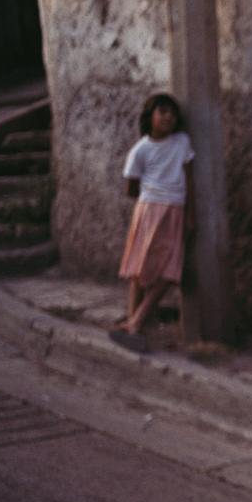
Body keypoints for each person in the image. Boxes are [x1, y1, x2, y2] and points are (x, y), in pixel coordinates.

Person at [109, 93, 194, 353]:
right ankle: (135, 325)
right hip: (149, 209)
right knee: (140, 267)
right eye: (162, 112)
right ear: (150, 117)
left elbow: (190, 180)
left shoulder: (181, 142)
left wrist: (191, 213)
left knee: (169, 270)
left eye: (172, 113)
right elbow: (131, 187)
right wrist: (151, 202)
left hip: (175, 209)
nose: (168, 117)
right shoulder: (141, 150)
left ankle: (135, 321)